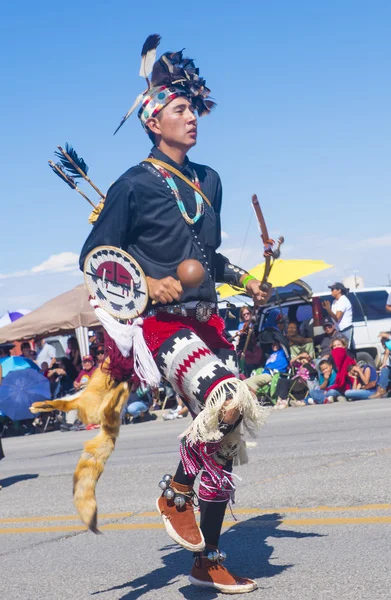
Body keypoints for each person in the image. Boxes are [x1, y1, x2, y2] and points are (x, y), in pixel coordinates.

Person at [78, 36, 270, 594]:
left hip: (208, 321)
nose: (192, 119)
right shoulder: (132, 185)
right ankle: (174, 491)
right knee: (227, 399)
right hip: (161, 328)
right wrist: (147, 280)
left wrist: (244, 280)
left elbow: (208, 256)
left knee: (223, 438)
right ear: (152, 120)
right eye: (179, 110)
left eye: (192, 109)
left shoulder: (209, 180)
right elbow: (95, 258)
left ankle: (208, 557)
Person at [322, 283, 354, 350]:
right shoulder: (335, 301)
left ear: (339, 290)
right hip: (339, 330)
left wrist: (328, 309)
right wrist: (327, 309)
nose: (331, 291)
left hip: (345, 329)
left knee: (346, 350)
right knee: (338, 350)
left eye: (332, 289)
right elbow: (333, 317)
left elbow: (337, 318)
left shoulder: (343, 300)